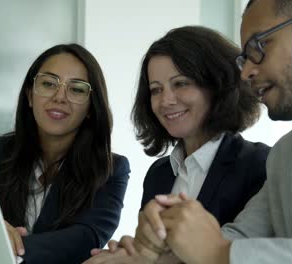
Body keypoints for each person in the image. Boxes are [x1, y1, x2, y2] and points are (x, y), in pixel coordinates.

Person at [109, 0, 292, 263]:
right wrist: (146, 258)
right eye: (245, 57)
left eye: (261, 45)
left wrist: (218, 253)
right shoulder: (286, 153)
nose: (245, 73)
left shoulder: (262, 160)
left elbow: (222, 251)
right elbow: (241, 236)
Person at [84, 25, 270, 263]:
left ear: (216, 85)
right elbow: (151, 252)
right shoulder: (158, 174)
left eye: (181, 83)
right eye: (156, 90)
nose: (166, 101)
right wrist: (132, 250)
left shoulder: (259, 165)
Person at [0, 44, 130, 264]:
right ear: (30, 96)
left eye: (77, 89)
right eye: (48, 84)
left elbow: (85, 239)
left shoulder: (110, 169)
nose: (60, 97)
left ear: (90, 107)